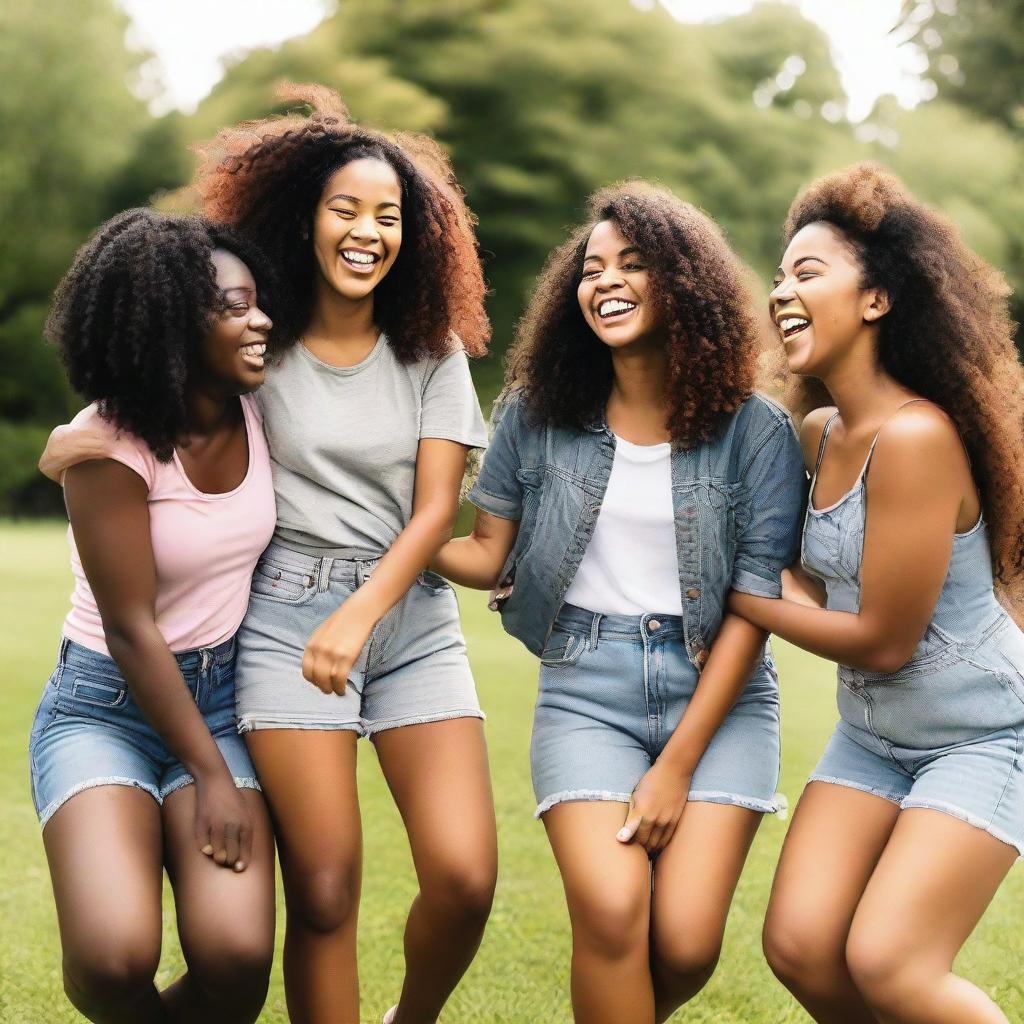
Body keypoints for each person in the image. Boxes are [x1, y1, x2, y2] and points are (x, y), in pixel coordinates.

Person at [432, 181, 806, 1024]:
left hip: (723, 693)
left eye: (633, 264)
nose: (606, 281)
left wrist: (676, 768)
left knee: (683, 945)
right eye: (592, 268)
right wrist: (395, 531)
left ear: (687, 285)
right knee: (609, 911)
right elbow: (486, 549)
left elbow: (753, 607)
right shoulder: (536, 411)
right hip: (584, 685)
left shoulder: (758, 432)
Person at [729, 162, 1024, 1024]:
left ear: (878, 300)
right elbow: (809, 577)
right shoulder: (819, 431)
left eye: (808, 273)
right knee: (800, 947)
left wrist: (737, 597)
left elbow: (883, 640)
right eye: (780, 275)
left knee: (892, 965)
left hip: (985, 736)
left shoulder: (919, 437)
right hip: (871, 739)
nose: (782, 291)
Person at [30, 208, 279, 1023]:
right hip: (104, 707)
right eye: (234, 307)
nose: (260, 321)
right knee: (112, 958)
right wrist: (210, 777)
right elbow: (134, 627)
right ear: (172, 324)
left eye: (258, 300)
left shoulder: (261, 409)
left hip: (222, 697)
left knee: (237, 956)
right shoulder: (105, 447)